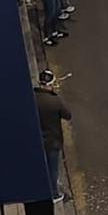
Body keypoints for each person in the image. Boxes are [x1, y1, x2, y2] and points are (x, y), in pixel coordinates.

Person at [35, 69, 71, 202]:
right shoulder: (55, 101)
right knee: (53, 168)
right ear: (50, 84)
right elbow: (68, 115)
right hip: (52, 141)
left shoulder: (32, 97)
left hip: (36, 139)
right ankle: (54, 194)